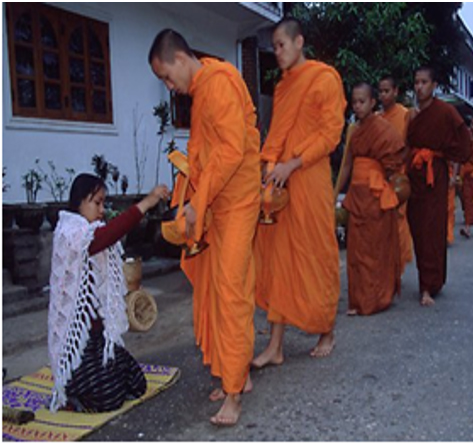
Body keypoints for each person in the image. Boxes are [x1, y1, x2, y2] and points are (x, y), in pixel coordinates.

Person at [149, 29, 261, 426]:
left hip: (237, 200)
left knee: (231, 290)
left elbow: (231, 150)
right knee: (218, 288)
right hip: (219, 202)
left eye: (165, 77)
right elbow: (210, 150)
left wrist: (199, 201)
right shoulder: (205, 85)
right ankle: (237, 374)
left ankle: (233, 393)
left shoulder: (216, 83)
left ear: (180, 58)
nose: (169, 87)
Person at [252, 17, 346, 367]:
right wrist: (269, 165)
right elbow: (276, 133)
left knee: (316, 254)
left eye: (281, 45)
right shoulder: (282, 87)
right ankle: (275, 345)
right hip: (280, 183)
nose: (277, 52)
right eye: (274, 46)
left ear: (299, 42)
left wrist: (291, 165)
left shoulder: (324, 78)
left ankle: (326, 330)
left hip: (310, 178)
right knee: (279, 260)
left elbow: (330, 135)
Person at [48, 173, 169, 413]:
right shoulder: (70, 232)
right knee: (110, 398)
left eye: (104, 203)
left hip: (98, 338)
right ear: (80, 201)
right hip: (77, 345)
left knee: (137, 383)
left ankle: (95, 385)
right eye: (97, 202)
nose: (102, 209)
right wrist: (146, 203)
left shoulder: (91, 230)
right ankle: (71, 393)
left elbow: (107, 265)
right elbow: (105, 237)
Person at [334, 83, 405, 315]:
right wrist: (333, 195)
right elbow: (347, 165)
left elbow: (394, 164)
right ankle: (358, 300)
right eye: (354, 101)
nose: (357, 106)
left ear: (373, 102)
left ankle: (376, 298)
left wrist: (386, 187)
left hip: (375, 195)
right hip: (357, 194)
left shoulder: (384, 129)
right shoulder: (353, 130)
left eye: (362, 101)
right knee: (356, 250)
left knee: (374, 249)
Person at [406, 66, 471, 307]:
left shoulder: (446, 112)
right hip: (415, 174)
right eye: (416, 82)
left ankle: (428, 285)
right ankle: (427, 277)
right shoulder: (413, 114)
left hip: (435, 175)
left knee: (432, 229)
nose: (419, 87)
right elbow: (406, 144)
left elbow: (463, 137)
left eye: (424, 82)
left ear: (434, 86)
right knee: (417, 227)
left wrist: (448, 158)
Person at [378, 76, 413, 274]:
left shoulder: (405, 115)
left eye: (387, 91)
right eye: (380, 91)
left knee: (399, 218)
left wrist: (400, 164)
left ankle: (397, 266)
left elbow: (409, 144)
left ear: (396, 91)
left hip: (399, 174)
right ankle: (387, 265)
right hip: (382, 174)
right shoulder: (378, 119)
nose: (383, 95)